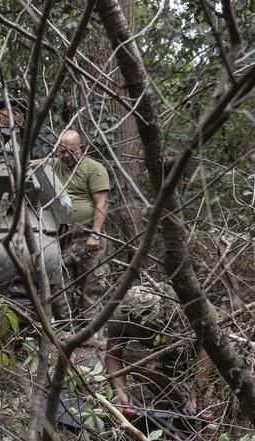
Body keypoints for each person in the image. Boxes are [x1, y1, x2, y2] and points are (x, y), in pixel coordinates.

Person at [104, 280, 216, 418]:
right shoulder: (120, 313)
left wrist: (196, 394)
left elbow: (210, 348)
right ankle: (168, 396)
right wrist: (120, 396)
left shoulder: (188, 301)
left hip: (201, 345)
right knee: (130, 353)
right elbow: (113, 355)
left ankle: (222, 407)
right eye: (146, 326)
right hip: (162, 351)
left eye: (156, 323)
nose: (151, 327)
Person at [35, 129, 111, 328]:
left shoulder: (94, 169)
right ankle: (66, 330)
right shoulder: (52, 165)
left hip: (88, 236)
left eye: (71, 151)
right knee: (61, 286)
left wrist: (95, 234)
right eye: (62, 152)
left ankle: (92, 331)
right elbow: (26, 165)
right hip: (62, 238)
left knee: (92, 285)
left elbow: (102, 203)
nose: (66, 156)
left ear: (82, 149)